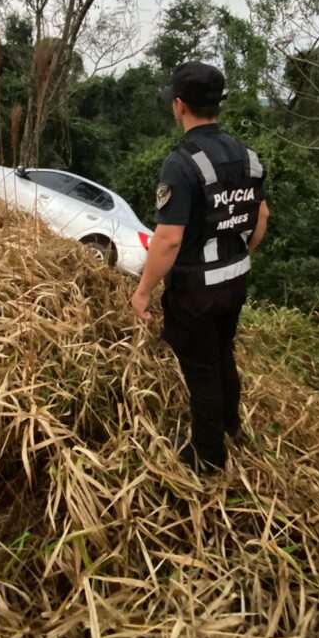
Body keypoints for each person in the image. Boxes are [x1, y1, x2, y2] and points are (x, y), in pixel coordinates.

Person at [131, 61, 269, 473]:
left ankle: (207, 457)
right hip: (235, 279)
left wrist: (142, 291)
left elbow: (169, 239)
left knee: (202, 369)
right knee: (223, 353)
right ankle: (230, 426)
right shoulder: (249, 156)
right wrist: (240, 256)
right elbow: (260, 219)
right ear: (217, 104)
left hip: (195, 292)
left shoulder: (181, 163)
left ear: (179, 105)